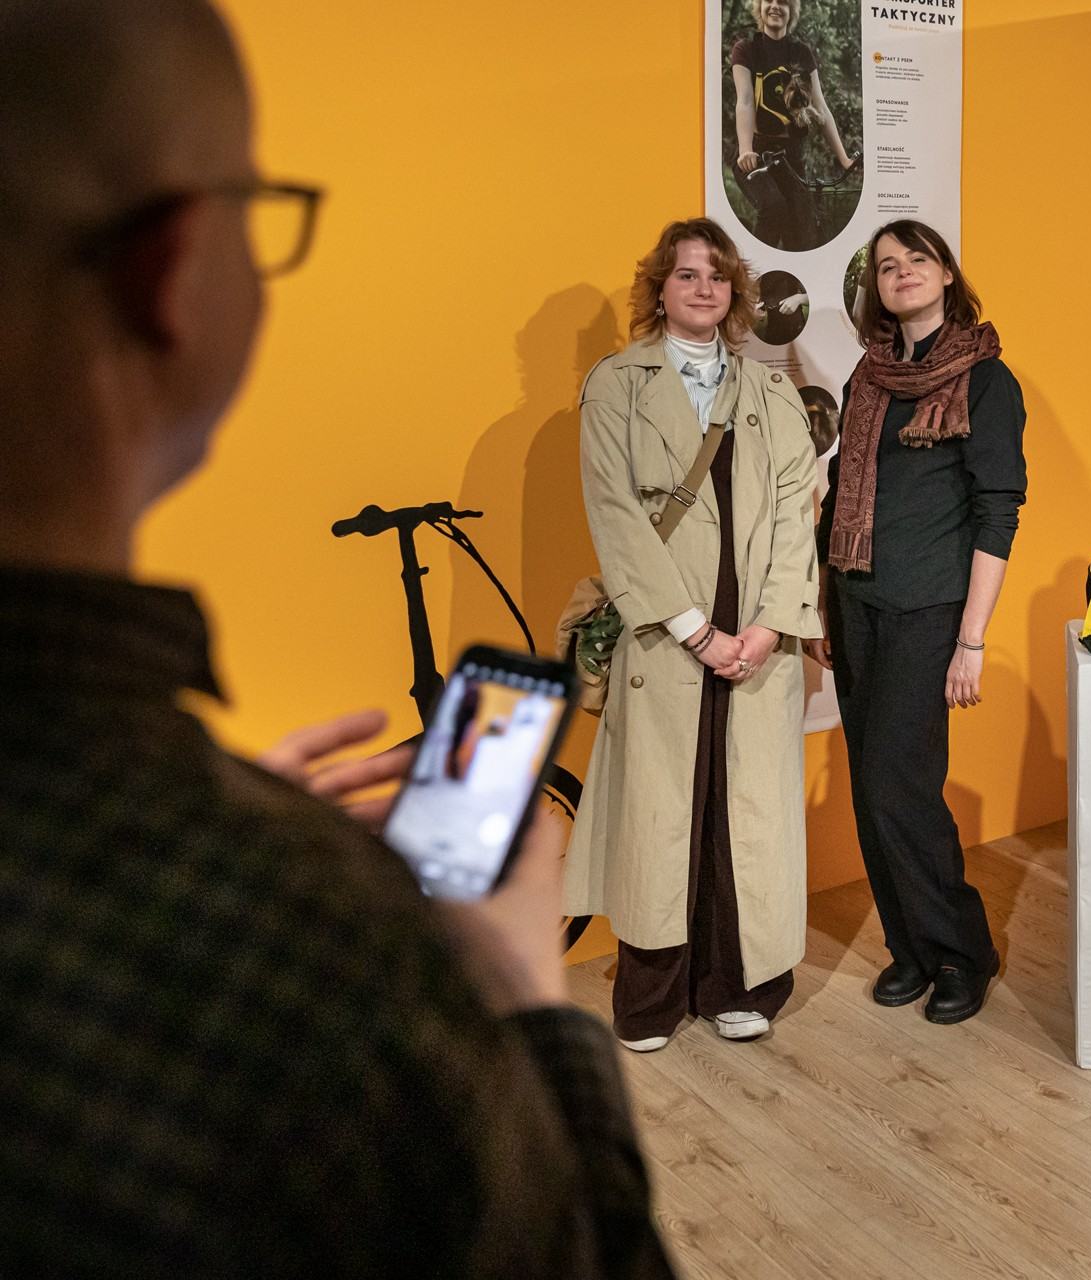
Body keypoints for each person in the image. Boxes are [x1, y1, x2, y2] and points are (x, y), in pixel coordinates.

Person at [0, 2, 673, 1275]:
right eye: (258, 211)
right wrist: (521, 985)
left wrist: (213, 825)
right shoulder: (316, 960)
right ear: (169, 270)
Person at [567, 217, 820, 1053]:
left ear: (735, 291)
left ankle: (740, 986)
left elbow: (798, 515)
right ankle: (651, 1001)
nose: (704, 289)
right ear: (659, 288)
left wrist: (768, 625)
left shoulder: (771, 392)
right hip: (665, 633)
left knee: (744, 814)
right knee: (659, 816)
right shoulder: (616, 385)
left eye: (717, 275)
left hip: (757, 639)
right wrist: (694, 631)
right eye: (686, 274)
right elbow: (615, 517)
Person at [811, 220, 1026, 1025]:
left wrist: (971, 639)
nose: (901, 273)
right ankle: (911, 949)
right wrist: (822, 602)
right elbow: (841, 493)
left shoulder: (986, 380)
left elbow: (997, 511)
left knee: (899, 786)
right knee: (870, 789)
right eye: (886, 266)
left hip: (929, 610)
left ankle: (964, 952)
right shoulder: (868, 379)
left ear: (946, 274)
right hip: (856, 604)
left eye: (917, 260)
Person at [730, 0, 857, 251]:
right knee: (773, 207)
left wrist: (844, 159)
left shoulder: (801, 53)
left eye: (783, 2)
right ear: (760, 7)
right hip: (756, 151)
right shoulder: (746, 49)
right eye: (769, 1)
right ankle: (754, 270)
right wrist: (745, 150)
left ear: (792, 11)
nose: (775, 7)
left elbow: (821, 108)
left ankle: (789, 275)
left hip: (790, 155)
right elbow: (744, 101)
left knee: (802, 228)